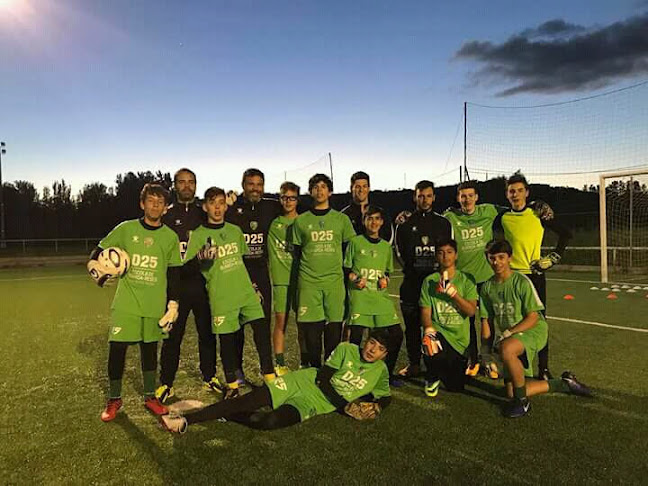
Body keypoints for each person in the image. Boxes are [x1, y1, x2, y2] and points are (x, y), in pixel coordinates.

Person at [160, 330, 392, 433]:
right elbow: (323, 379)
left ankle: (218, 411)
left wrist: (379, 405)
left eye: (380, 349)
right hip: (303, 383)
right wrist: (345, 406)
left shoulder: (380, 372)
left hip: (314, 404)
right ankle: (186, 419)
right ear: (366, 341)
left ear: (384, 356)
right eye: (371, 343)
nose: (373, 350)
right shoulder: (347, 349)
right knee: (249, 402)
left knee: (268, 423)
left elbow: (385, 395)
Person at [87, 183, 182, 422]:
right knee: (117, 349)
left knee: (150, 351)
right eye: (151, 200)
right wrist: (96, 271)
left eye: (160, 202)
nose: (155, 205)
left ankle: (150, 397)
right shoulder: (126, 229)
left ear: (165, 208)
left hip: (153, 305)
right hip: (126, 304)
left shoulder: (170, 237)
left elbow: (174, 274)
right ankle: (114, 399)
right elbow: (97, 251)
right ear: (142, 204)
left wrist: (173, 304)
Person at [480, 240, 591, 418]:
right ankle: (564, 384)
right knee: (512, 391)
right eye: (492, 258)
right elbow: (486, 320)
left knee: (507, 348)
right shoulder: (487, 287)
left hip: (534, 329)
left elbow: (533, 317)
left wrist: (508, 333)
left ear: (510, 258)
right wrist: (484, 352)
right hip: (514, 336)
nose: (497, 262)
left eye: (501, 257)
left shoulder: (521, 281)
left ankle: (522, 403)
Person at [185, 187, 275, 400]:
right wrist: (200, 258)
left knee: (262, 333)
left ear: (226, 206)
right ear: (205, 206)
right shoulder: (198, 235)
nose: (217, 208)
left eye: (221, 203)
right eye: (213, 203)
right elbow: (186, 268)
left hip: (245, 293)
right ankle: (233, 386)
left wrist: (253, 286)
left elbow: (243, 262)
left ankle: (270, 378)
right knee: (227, 341)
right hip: (221, 296)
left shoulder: (235, 231)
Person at [493, 172, 572, 380]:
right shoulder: (502, 216)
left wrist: (554, 257)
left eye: (520, 190)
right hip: (512, 277)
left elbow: (566, 234)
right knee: (514, 321)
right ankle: (517, 363)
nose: (515, 194)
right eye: (511, 191)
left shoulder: (538, 213)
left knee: (540, 323)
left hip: (534, 276)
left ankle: (543, 369)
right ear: (506, 194)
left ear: (527, 192)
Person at [156, 168, 221, 404]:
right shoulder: (167, 215)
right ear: (174, 185)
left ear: (196, 185)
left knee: (207, 334)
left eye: (191, 182)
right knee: (172, 336)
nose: (187, 186)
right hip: (175, 285)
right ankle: (166, 382)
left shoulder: (203, 213)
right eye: (182, 182)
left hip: (203, 285)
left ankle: (210, 375)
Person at [291, 173, 356, 367]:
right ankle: (314, 370)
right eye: (315, 187)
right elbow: (297, 252)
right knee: (311, 333)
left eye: (323, 187)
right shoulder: (301, 221)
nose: (319, 191)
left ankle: (329, 370)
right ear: (310, 191)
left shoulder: (341, 220)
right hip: (309, 282)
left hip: (334, 283)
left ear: (330, 191)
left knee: (334, 331)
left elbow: (348, 251)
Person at [226, 168, 281, 384]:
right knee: (237, 326)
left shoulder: (270, 206)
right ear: (243, 185)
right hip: (236, 273)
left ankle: (267, 370)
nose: (255, 188)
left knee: (261, 324)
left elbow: (298, 207)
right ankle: (237, 371)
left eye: (259, 184)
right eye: (251, 184)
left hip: (260, 273)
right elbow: (209, 212)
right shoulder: (232, 207)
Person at [394, 180, 453, 379]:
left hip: (435, 286)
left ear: (434, 197)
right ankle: (414, 364)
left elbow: (448, 254)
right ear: (415, 197)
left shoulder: (443, 223)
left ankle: (436, 364)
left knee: (436, 325)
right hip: (412, 284)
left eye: (428, 195)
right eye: (421, 196)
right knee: (412, 328)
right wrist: (413, 270)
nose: (425, 199)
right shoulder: (404, 224)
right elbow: (400, 254)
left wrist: (442, 279)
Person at [344, 205, 403, 381]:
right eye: (370, 218)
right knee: (355, 339)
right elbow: (347, 269)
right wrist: (355, 279)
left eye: (377, 218)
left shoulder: (386, 247)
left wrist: (386, 279)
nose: (374, 222)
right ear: (364, 221)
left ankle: (385, 374)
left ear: (382, 222)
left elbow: (388, 272)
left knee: (396, 335)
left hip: (380, 299)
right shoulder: (355, 242)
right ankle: (352, 374)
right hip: (360, 298)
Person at [419, 239, 478, 397]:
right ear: (437, 257)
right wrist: (429, 330)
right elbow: (425, 312)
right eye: (441, 253)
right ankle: (431, 376)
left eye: (449, 252)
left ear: (456, 255)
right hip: (440, 334)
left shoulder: (466, 280)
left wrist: (453, 294)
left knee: (455, 387)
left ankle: (444, 370)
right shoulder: (429, 281)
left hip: (459, 341)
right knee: (429, 341)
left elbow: (471, 312)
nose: (445, 256)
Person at [268, 181, 307, 374]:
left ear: (297, 200)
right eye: (284, 197)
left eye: (292, 197)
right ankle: (280, 363)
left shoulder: (304, 222)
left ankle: (305, 361)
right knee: (281, 323)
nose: (288, 201)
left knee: (303, 324)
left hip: (302, 281)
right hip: (281, 281)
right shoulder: (273, 223)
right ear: (280, 198)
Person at [341, 171, 393, 243]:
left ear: (368, 188)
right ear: (351, 188)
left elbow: (387, 239)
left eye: (364, 186)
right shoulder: (343, 216)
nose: (361, 190)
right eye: (357, 187)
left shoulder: (380, 213)